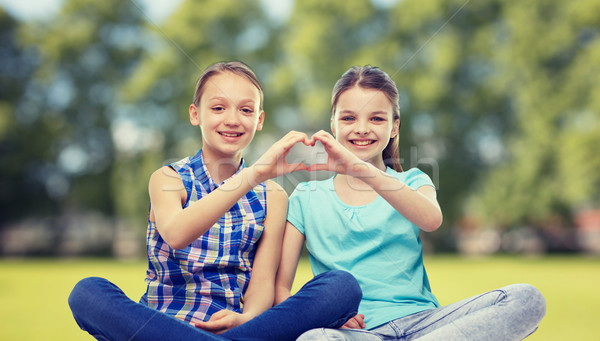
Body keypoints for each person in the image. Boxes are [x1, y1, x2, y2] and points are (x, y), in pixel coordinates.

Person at [68, 61, 361, 341]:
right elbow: (177, 234)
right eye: (218, 108)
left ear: (259, 120)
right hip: (163, 324)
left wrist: (248, 318)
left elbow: (262, 282)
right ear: (196, 114)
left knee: (341, 287)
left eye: (246, 110)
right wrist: (255, 174)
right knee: (87, 293)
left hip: (238, 326)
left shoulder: (273, 197)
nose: (232, 119)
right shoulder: (168, 179)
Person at [274, 65, 546, 340]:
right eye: (348, 118)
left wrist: (361, 170)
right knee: (314, 339)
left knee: (526, 298)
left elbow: (431, 220)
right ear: (333, 124)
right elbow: (281, 290)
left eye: (377, 119)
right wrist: (325, 315)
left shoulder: (414, 181)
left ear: (395, 126)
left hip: (426, 325)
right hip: (357, 335)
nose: (362, 128)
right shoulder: (305, 197)